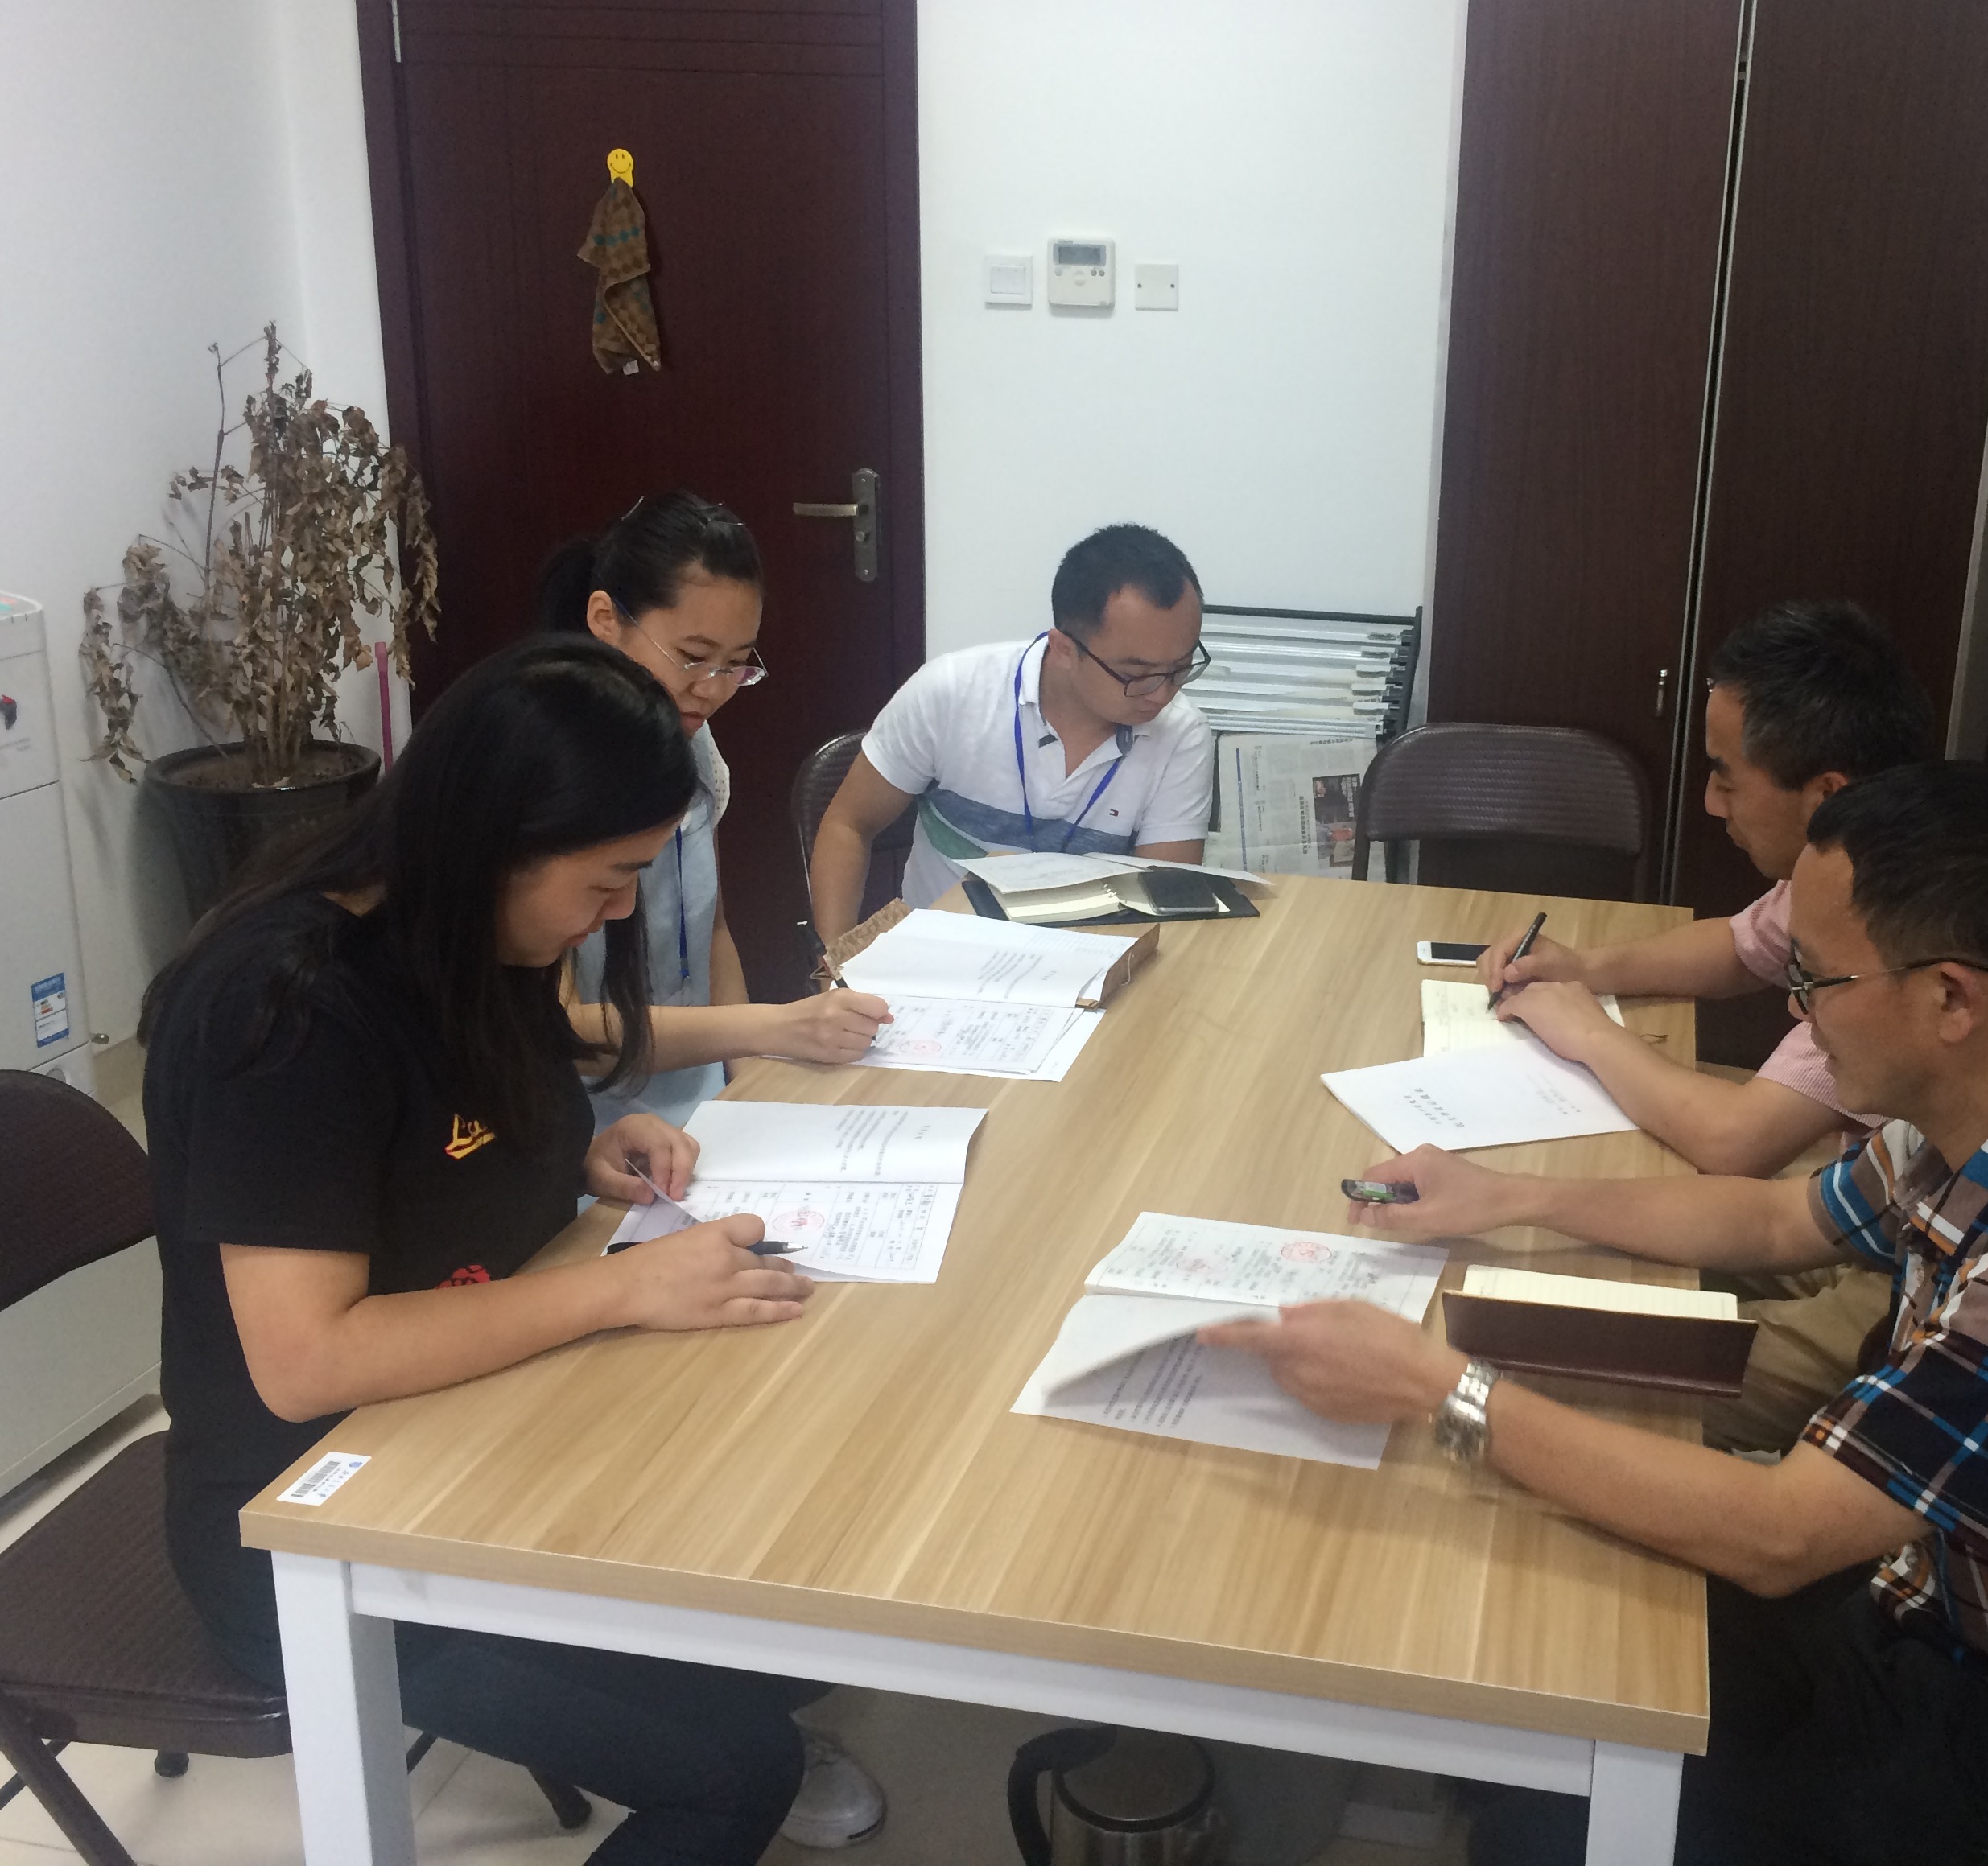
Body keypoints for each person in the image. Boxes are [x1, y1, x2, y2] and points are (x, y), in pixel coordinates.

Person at [1210, 763, 1988, 1863]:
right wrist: (1507, 1196)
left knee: (1555, 1805)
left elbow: (1780, 1533)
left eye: (1818, 979)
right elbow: (1776, 1219)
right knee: (1555, 1652)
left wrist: (1436, 1386)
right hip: (1949, 1625)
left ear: (1950, 997)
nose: (1796, 1008)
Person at [142, 636, 883, 1857]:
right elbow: (306, 1361)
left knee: (807, 1594)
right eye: (609, 877)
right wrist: (624, 1289)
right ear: (497, 841)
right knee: (735, 1763)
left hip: (485, 1421)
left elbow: (475, 1099)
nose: (623, 908)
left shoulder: (465, 933)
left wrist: (576, 1151)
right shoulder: (285, 1007)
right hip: (313, 1515)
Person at [1475, 600, 1988, 1451]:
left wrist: (1586, 1033)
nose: (1710, 802)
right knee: (1586, 1279)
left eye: (1727, 776)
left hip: (1929, 1279)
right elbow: (1774, 1211)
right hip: (1904, 1225)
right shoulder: (1886, 887)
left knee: (1601, 1375)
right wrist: (1514, 1194)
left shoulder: (1902, 949)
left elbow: (1735, 1145)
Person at [541, 492, 890, 1127]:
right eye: (692, 656)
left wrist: (747, 1081)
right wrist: (770, 1027)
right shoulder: (545, 769)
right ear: (605, 618)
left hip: (702, 1099)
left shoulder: (693, 740)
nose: (711, 688)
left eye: (735, 665)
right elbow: (563, 1028)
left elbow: (713, 931)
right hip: (585, 1126)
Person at [808, 523, 1214, 939]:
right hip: (939, 950)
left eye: (1181, 668)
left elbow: (1162, 904)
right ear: (1064, 649)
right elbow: (848, 825)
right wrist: (835, 959)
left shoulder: (1181, 734)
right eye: (1137, 674)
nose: (1163, 694)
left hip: (1093, 958)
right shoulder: (951, 693)